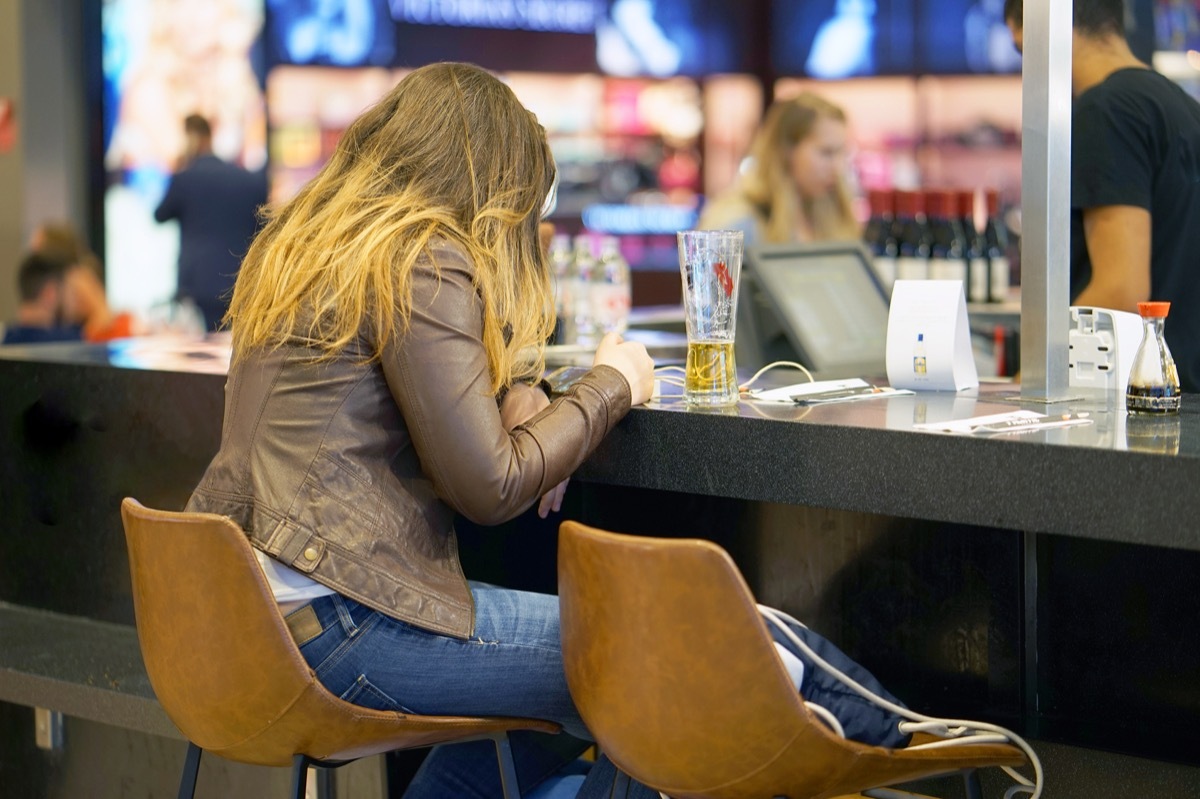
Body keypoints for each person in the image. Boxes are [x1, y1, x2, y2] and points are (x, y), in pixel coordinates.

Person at [185, 63, 908, 798]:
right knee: (660, 657)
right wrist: (612, 384)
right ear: (490, 180)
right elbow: (491, 485)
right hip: (346, 619)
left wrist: (523, 396)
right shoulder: (421, 254)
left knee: (599, 684)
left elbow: (398, 400)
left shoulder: (314, 247)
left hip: (255, 614)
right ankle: (896, 733)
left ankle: (882, 723)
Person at [1006, 0, 1200, 392]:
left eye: (1026, 50)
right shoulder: (1182, 107)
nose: (1028, 70)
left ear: (1057, 26)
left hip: (1133, 406)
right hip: (1180, 400)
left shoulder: (1106, 110)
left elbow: (1121, 292)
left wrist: (1033, 375)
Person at [699, 92, 860, 246]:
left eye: (842, 154)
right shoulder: (739, 223)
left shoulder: (830, 214)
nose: (838, 167)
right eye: (826, 153)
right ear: (786, 149)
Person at [154, 113, 267, 331]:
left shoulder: (185, 179)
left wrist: (178, 169)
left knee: (198, 357)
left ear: (192, 137)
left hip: (197, 288)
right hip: (241, 283)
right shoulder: (247, 180)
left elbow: (160, 215)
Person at [30, 221, 142, 342]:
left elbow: (103, 316)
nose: (32, 252)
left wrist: (86, 336)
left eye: (37, 247)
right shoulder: (55, 281)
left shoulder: (77, 276)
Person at [1, 252, 82, 346]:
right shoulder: (70, 343)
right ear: (49, 294)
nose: (74, 302)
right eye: (70, 292)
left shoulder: (7, 339)